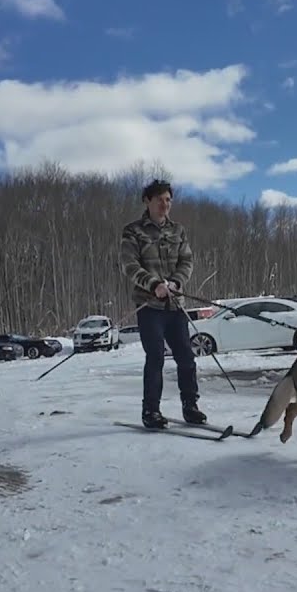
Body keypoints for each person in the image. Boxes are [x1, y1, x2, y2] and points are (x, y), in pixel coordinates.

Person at [119, 179, 206, 429]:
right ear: (148, 201)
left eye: (168, 200)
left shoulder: (178, 230)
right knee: (155, 357)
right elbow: (129, 264)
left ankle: (191, 406)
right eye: (160, 200)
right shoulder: (133, 231)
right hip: (149, 307)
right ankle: (151, 411)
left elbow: (186, 262)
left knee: (187, 358)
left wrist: (176, 283)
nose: (165, 205)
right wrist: (153, 284)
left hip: (175, 306)